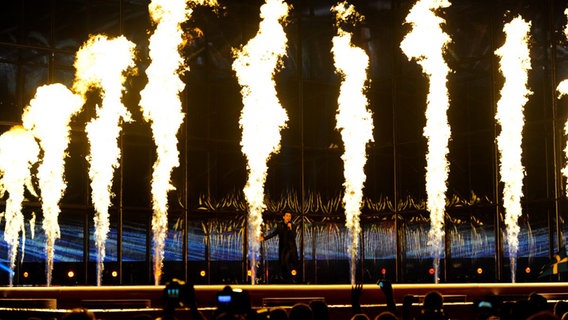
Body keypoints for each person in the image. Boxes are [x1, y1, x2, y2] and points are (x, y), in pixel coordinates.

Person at [259, 211, 298, 283]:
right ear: (283, 217)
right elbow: (274, 233)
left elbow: (294, 236)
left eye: (290, 216)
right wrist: (264, 238)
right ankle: (285, 278)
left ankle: (291, 278)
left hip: (290, 248)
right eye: (287, 216)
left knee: (288, 262)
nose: (288, 217)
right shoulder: (280, 224)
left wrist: (291, 228)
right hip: (283, 247)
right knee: (282, 263)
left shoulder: (293, 225)